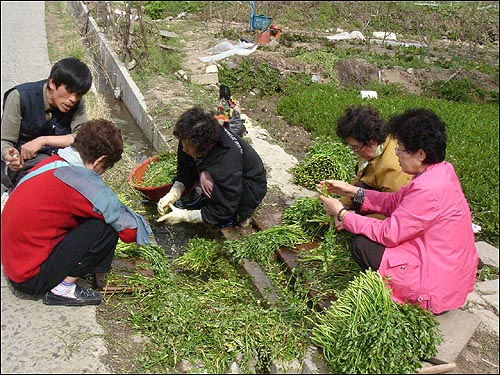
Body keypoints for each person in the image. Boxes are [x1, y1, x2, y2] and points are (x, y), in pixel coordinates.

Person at [317, 108, 478, 315]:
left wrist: (343, 215)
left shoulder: (428, 188)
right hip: (444, 266)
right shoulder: (439, 171)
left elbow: (389, 233)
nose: (396, 152)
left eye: (401, 148)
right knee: (365, 232)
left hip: (435, 283)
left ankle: (403, 299)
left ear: (420, 153)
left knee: (363, 245)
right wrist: (351, 191)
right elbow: (395, 201)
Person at [1, 119, 152, 306]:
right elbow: (129, 231)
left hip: (15, 260)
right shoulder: (80, 183)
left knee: (90, 218)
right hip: (29, 277)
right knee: (105, 228)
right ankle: (62, 289)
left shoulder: (54, 162)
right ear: (100, 161)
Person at [156, 106, 267, 229]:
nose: (184, 148)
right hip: (230, 181)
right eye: (183, 142)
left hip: (248, 190)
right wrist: (174, 192)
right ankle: (211, 199)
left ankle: (236, 216)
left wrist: (186, 216)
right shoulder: (191, 138)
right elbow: (185, 172)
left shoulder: (224, 162)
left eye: (187, 145)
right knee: (202, 172)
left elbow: (225, 208)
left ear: (203, 146)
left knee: (206, 178)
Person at [1, 57, 92, 196]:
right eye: (69, 90)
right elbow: (5, 141)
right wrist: (9, 154)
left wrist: (43, 140)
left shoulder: (76, 103)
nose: (73, 99)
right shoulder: (20, 97)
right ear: (52, 83)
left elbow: (82, 136)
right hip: (24, 164)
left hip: (59, 161)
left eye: (79, 94)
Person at [335, 105, 411, 217]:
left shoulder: (393, 167)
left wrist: (350, 219)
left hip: (397, 213)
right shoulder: (370, 149)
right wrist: (343, 204)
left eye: (356, 147)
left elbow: (395, 213)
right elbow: (362, 175)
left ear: (372, 142)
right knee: (359, 189)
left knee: (361, 234)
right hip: (382, 195)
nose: (355, 151)